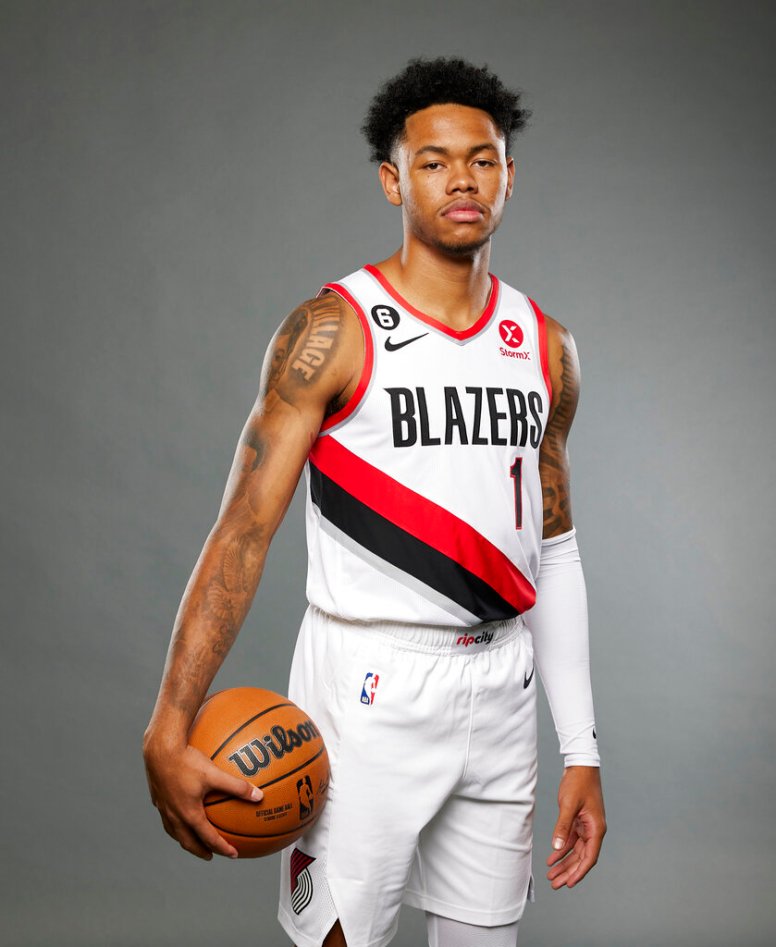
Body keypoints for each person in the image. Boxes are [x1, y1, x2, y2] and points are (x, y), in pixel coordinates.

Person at [143, 56, 606, 947]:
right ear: (393, 179)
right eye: (433, 161)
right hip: (365, 687)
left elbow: (554, 548)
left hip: (500, 684)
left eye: (483, 158)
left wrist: (580, 745)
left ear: (510, 176)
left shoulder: (546, 346)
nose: (462, 178)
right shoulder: (334, 330)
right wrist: (171, 717)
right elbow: (243, 530)